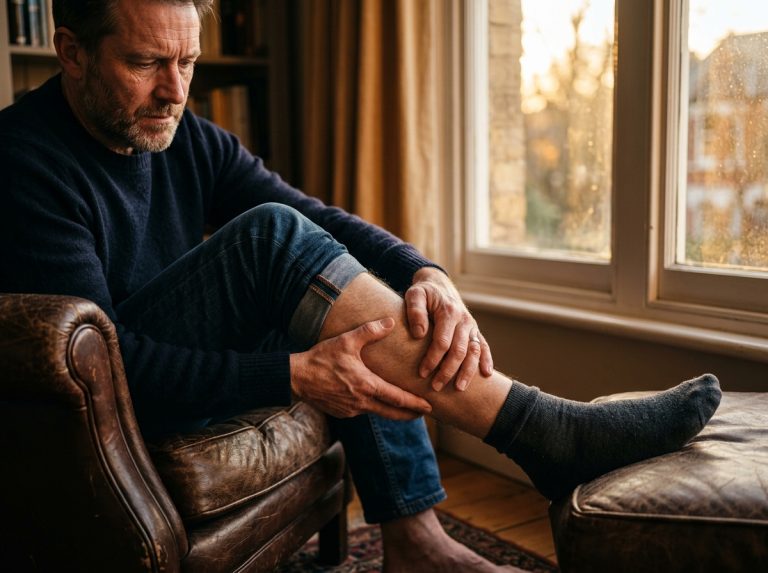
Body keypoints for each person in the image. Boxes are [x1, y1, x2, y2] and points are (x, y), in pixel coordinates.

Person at [0, 0, 722, 571]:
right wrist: (291, 373)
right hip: (113, 402)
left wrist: (425, 272)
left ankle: (419, 545)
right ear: (71, 53)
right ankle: (543, 431)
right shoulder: (24, 161)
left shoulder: (185, 133)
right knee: (269, 239)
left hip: (164, 364)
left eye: (186, 60)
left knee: (328, 273)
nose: (175, 90)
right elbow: (100, 371)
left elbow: (323, 219)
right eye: (146, 61)